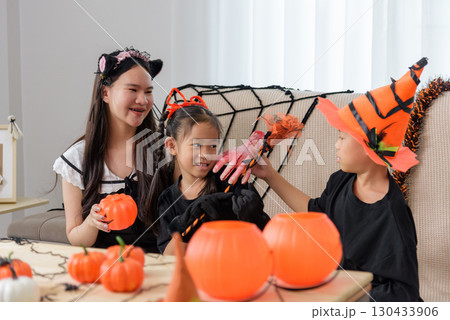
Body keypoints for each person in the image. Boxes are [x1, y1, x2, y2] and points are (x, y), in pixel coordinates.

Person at [213, 58, 428, 301]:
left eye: (342, 138)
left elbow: (404, 295)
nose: (335, 145)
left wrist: (342, 291)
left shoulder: (393, 216)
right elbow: (315, 213)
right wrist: (270, 175)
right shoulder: (342, 180)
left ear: (369, 148)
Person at [53, 47, 163, 252]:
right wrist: (91, 223)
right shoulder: (77, 159)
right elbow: (76, 238)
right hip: (106, 266)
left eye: (148, 91)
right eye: (133, 89)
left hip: (155, 263)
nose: (143, 100)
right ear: (105, 92)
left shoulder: (160, 150)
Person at [149, 88, 270, 254]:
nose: (206, 154)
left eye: (213, 146)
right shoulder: (168, 199)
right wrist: (186, 226)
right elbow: (168, 255)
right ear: (172, 146)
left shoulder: (230, 181)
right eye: (197, 145)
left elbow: (263, 237)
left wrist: (253, 216)